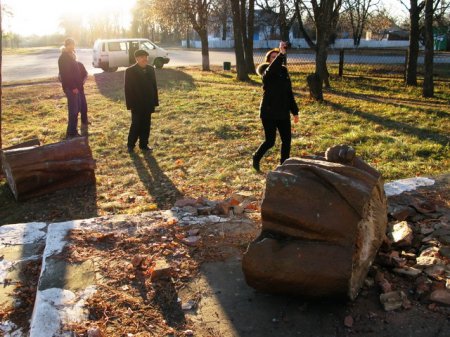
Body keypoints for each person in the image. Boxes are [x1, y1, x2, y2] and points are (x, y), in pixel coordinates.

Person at [252, 41, 299, 172]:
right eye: (273, 57)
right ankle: (256, 157)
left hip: (283, 112)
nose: (276, 58)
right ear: (268, 60)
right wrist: (281, 54)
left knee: (287, 141)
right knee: (270, 141)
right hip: (269, 112)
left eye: (277, 56)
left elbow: (289, 94)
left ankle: (283, 166)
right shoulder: (266, 73)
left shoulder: (284, 72)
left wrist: (295, 112)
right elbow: (271, 69)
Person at [124, 49, 159, 152]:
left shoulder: (151, 69)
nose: (145, 59)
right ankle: (131, 145)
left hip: (148, 102)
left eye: (146, 57)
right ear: (137, 59)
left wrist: (155, 101)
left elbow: (154, 86)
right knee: (136, 124)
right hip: (136, 103)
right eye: (142, 57)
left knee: (146, 124)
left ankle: (144, 145)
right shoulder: (130, 71)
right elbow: (128, 89)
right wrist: (130, 104)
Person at [58, 38, 88, 138]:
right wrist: (73, 87)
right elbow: (66, 75)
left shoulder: (70, 56)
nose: (73, 47)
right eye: (71, 45)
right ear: (67, 45)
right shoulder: (63, 58)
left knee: (77, 108)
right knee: (73, 110)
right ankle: (71, 133)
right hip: (71, 88)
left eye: (74, 45)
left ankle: (72, 131)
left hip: (77, 88)